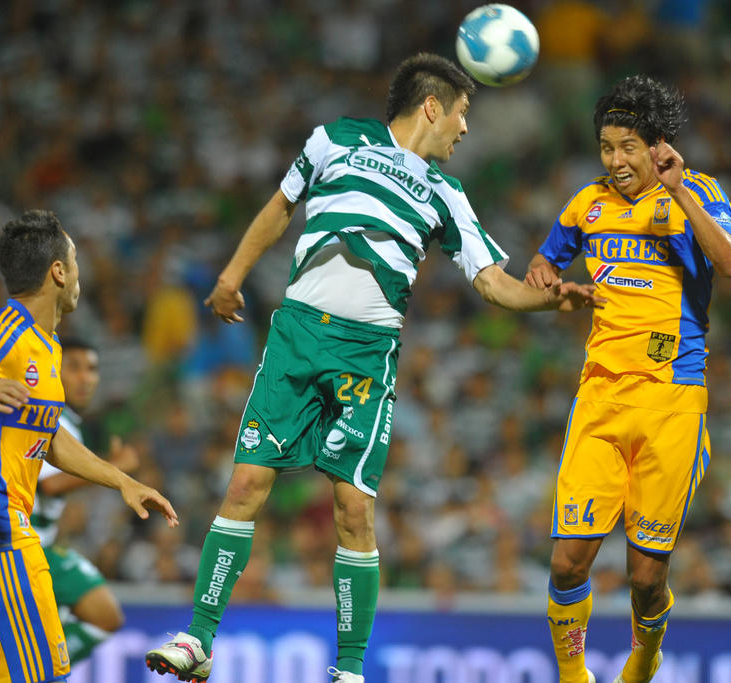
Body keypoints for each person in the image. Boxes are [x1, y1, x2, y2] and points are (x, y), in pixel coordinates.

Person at [145, 52, 604, 683]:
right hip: (296, 335)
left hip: (366, 352)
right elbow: (281, 205)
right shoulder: (333, 140)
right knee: (245, 485)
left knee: (352, 509)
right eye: (463, 115)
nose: (465, 131)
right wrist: (232, 275)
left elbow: (495, 283)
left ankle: (350, 671)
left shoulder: (448, 194)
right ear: (432, 108)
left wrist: (554, 296)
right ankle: (198, 641)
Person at [524, 75, 731, 683]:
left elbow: (728, 264)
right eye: (606, 146)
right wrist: (545, 270)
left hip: (671, 401)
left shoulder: (694, 192)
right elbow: (548, 253)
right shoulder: (587, 203)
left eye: (627, 147)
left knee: (646, 576)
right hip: (598, 396)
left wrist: (679, 191)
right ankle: (573, 676)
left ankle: (646, 652)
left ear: (658, 147)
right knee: (568, 563)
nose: (616, 161)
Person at [0, 209, 179, 683]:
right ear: (58, 271)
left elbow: (51, 436)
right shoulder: (8, 332)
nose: (80, 272)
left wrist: (121, 480)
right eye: (75, 259)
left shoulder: (48, 347)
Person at [31, 338, 139, 666]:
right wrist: (114, 467)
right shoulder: (54, 419)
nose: (85, 377)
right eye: (74, 368)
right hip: (24, 546)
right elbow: (48, 485)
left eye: (91, 369)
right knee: (104, 614)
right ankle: (38, 668)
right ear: (54, 373)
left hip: (38, 541)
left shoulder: (68, 422)